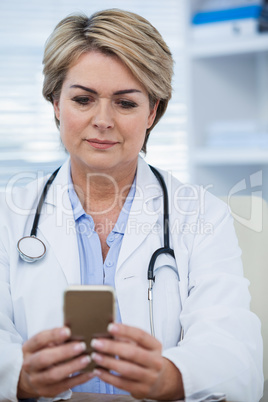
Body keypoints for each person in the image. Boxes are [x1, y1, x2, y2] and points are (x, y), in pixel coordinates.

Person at [0, 8, 264, 402]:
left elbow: (234, 346)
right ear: (56, 104)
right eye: (83, 99)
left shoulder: (202, 214)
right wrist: (19, 376)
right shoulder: (8, 214)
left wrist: (171, 377)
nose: (102, 120)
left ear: (152, 112)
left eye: (125, 103)